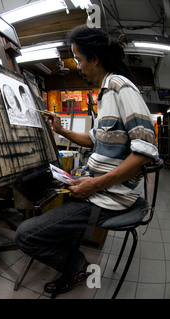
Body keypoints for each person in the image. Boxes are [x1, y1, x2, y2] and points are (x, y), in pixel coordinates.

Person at [15, 25, 159, 294]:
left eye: (79, 59)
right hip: (97, 187)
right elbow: (93, 140)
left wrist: (95, 184)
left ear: (95, 58)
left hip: (107, 196)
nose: (78, 66)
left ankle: (77, 265)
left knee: (26, 235)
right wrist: (60, 130)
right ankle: (70, 249)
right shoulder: (104, 94)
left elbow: (144, 151)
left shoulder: (120, 87)